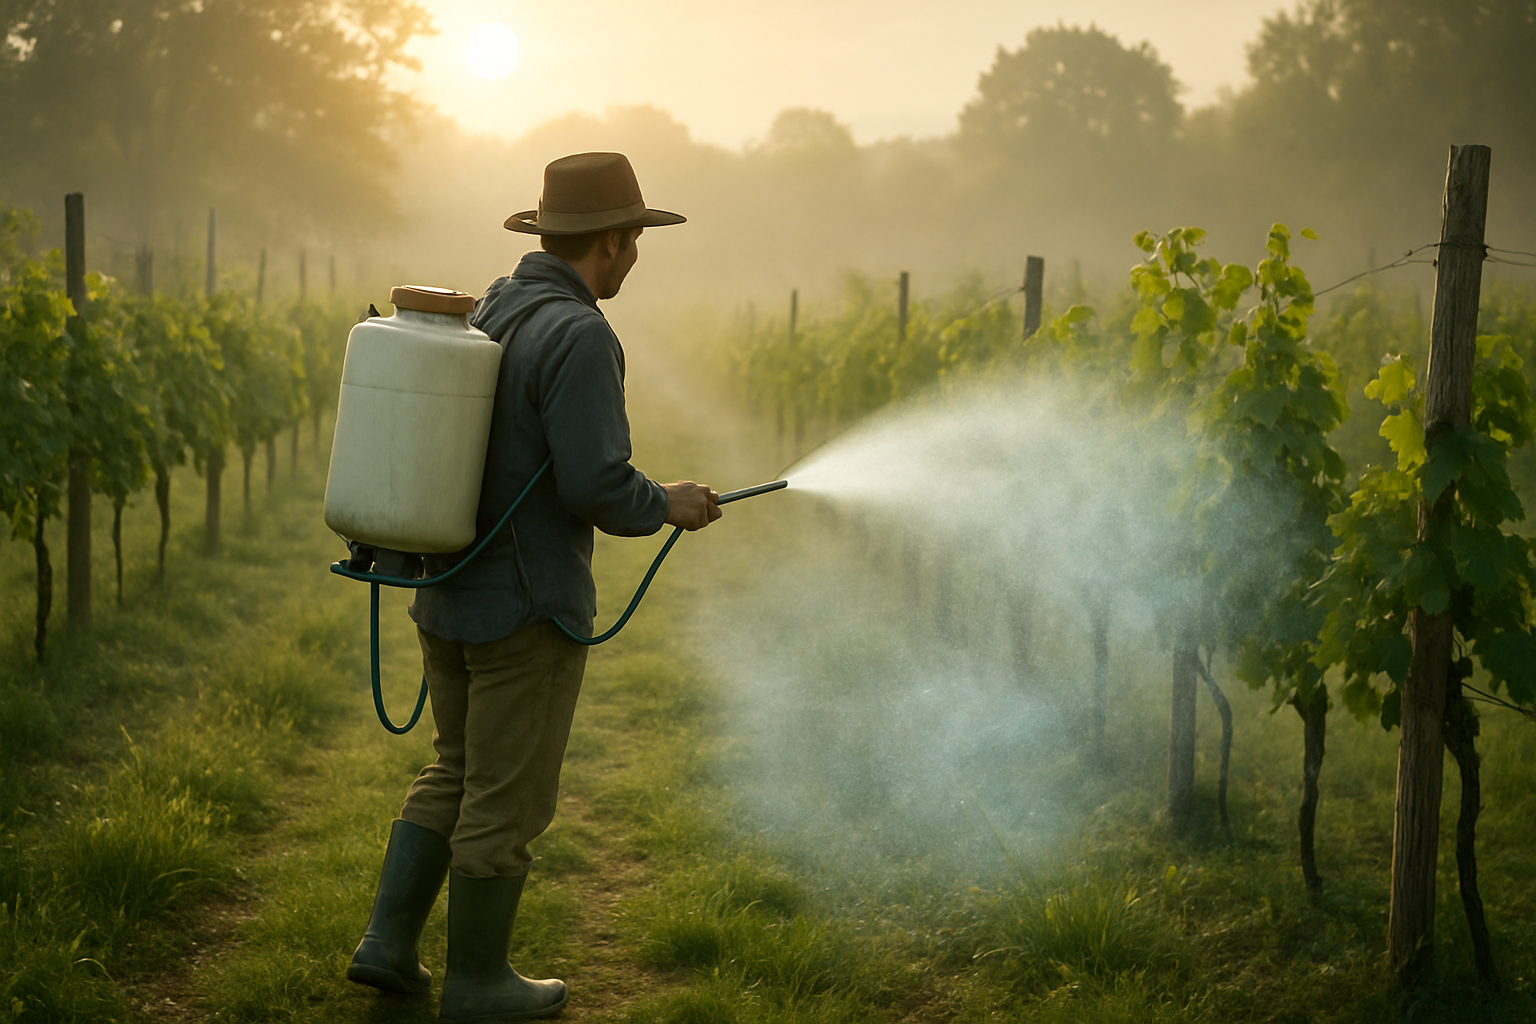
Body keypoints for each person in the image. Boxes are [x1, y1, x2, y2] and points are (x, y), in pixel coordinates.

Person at [345, 152, 720, 1021]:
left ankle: (387, 945)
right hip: (524, 606)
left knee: (455, 767)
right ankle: (478, 982)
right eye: (636, 241)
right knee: (505, 799)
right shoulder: (583, 334)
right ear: (616, 243)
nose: (636, 257)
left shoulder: (495, 302)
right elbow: (594, 482)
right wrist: (668, 505)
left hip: (446, 588)